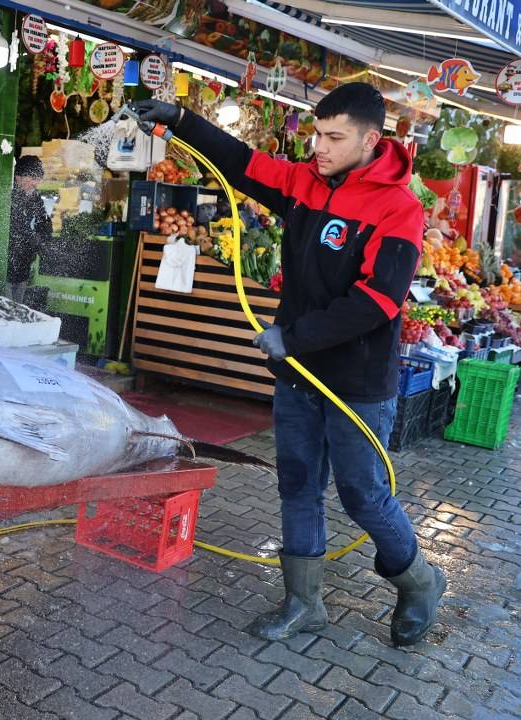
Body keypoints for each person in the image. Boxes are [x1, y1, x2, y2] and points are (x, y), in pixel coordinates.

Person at [134, 83, 446, 647]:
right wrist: (180, 118)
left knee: (363, 495)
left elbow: (378, 301)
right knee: (298, 486)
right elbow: (241, 162)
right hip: (298, 378)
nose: (319, 147)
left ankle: (420, 581)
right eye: (316, 134)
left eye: (334, 137)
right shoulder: (306, 183)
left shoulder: (399, 209)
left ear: (370, 140)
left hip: (355, 383)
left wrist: (293, 337)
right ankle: (304, 603)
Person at [6, 155, 52, 304]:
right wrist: (36, 241)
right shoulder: (7, 194)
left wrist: (46, 239)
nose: (35, 183)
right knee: (5, 309)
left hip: (22, 266)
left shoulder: (34, 195)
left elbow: (43, 221)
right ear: (18, 177)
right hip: (3, 266)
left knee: (18, 309)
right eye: (32, 178)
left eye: (38, 179)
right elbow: (17, 226)